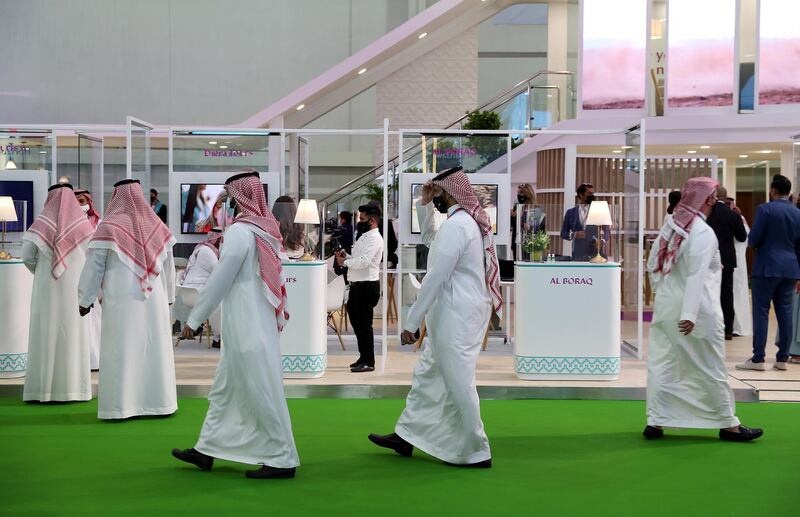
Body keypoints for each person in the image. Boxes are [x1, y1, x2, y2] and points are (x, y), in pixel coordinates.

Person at [368, 167, 502, 467]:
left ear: (451, 192)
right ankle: (406, 436)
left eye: (438, 192)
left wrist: (412, 322)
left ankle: (476, 450)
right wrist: (425, 203)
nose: (436, 197)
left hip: (459, 313)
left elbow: (435, 276)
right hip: (455, 312)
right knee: (427, 375)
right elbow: (431, 239)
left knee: (458, 381)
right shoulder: (461, 223)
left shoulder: (459, 226)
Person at [172, 170, 299, 480]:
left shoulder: (241, 232)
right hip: (250, 322)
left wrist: (193, 319)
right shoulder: (264, 229)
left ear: (239, 196)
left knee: (259, 389)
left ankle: (282, 458)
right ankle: (206, 449)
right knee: (224, 390)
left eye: (229, 195)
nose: (225, 201)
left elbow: (220, 279)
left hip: (247, 325)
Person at [645, 177, 761, 442]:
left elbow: (653, 265)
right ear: (709, 199)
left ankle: (656, 421)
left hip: (667, 308)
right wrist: (689, 314)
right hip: (697, 312)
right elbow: (696, 275)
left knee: (663, 363)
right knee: (710, 365)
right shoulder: (702, 231)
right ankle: (728, 424)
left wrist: (664, 296)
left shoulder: (671, 226)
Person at [78, 179, 177, 420]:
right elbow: (168, 267)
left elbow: (94, 265)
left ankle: (121, 408)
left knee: (122, 348)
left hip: (122, 298)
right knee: (153, 347)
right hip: (154, 298)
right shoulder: (157, 225)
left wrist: (85, 298)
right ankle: (159, 404)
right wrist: (170, 297)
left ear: (116, 197)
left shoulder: (108, 226)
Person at [21, 184, 94, 402]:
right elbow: (92, 260)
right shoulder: (85, 228)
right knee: (73, 335)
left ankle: (41, 392)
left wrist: (42, 272)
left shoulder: (40, 226)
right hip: (76, 289)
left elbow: (27, 257)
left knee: (46, 332)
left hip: (47, 289)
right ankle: (74, 391)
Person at [737, 174, 800, 371]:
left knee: (762, 312)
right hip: (790, 268)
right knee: (786, 312)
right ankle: (782, 358)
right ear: (788, 192)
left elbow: (753, 239)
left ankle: (758, 358)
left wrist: (756, 247)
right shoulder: (797, 213)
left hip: (766, 267)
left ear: (773, 190)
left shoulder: (765, 209)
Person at [335, 203, 384, 372]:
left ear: (371, 220)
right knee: (357, 324)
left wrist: (345, 262)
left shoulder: (375, 239)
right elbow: (358, 257)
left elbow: (364, 262)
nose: (359, 221)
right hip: (358, 286)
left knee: (364, 325)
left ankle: (369, 361)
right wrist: (346, 256)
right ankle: (363, 357)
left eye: (362, 218)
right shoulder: (364, 236)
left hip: (367, 287)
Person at [706, 186, 747, 340]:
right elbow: (742, 237)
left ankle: (710, 327)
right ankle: (727, 329)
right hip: (727, 260)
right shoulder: (733, 215)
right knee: (726, 295)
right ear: (726, 197)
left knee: (709, 293)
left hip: (709, 259)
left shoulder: (707, 214)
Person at [174, 228, 223, 348]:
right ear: (217, 239)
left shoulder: (203, 248)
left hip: (192, 291)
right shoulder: (207, 251)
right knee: (221, 301)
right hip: (195, 293)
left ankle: (198, 325)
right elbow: (219, 273)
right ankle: (219, 338)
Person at [74, 188, 103, 370]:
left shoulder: (99, 223)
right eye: (75, 201)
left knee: (93, 317)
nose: (80, 205)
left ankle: (94, 359)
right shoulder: (67, 223)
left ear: (89, 202)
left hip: (94, 273)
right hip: (74, 273)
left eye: (82, 201)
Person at [560, 182, 610, 261]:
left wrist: (602, 241)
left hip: (596, 254)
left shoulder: (599, 210)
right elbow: (563, 233)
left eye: (593, 193)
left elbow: (607, 231)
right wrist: (574, 234)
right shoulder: (570, 213)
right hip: (577, 254)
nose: (592, 196)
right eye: (589, 193)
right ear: (581, 195)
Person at [726, 197, 752, 337]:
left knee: (737, 293)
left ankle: (738, 326)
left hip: (737, 261)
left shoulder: (738, 218)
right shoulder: (739, 218)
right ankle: (737, 325)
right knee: (735, 293)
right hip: (738, 261)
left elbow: (743, 238)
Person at [512, 183, 546, 261]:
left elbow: (536, 227)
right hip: (517, 243)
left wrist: (526, 225)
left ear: (528, 194)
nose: (519, 195)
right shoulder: (517, 207)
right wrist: (512, 217)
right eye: (518, 193)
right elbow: (513, 225)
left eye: (521, 193)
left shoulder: (536, 209)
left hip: (531, 245)